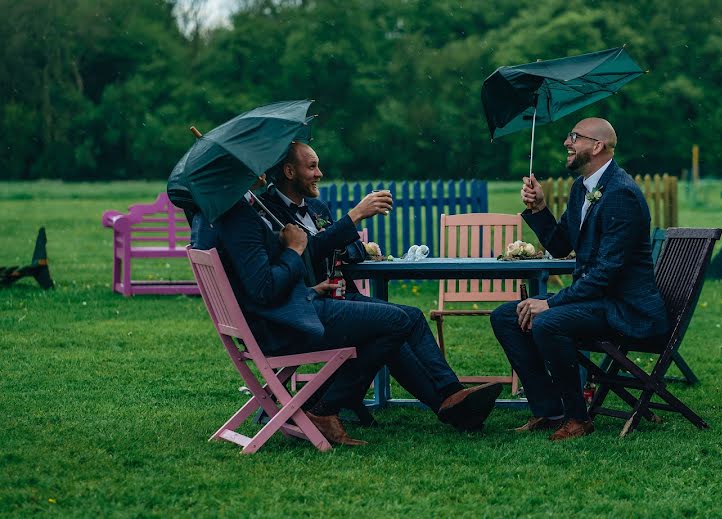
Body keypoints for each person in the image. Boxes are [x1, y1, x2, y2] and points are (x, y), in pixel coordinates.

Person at [257, 141, 501, 434]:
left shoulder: (317, 207)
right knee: (401, 321)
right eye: (311, 166)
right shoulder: (267, 211)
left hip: (339, 297)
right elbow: (305, 251)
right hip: (309, 310)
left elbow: (352, 248)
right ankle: (330, 406)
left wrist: (341, 245)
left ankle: (452, 402)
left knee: (400, 323)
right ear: (288, 171)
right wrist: (354, 216)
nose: (319, 173)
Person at [490, 118, 669, 441]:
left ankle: (577, 417)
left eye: (574, 137)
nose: (566, 143)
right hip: (598, 302)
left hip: (624, 308)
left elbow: (606, 273)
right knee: (505, 316)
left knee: (548, 322)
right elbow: (560, 245)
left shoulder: (621, 194)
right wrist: (540, 207)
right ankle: (549, 409)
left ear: (597, 146)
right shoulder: (581, 189)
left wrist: (550, 302)